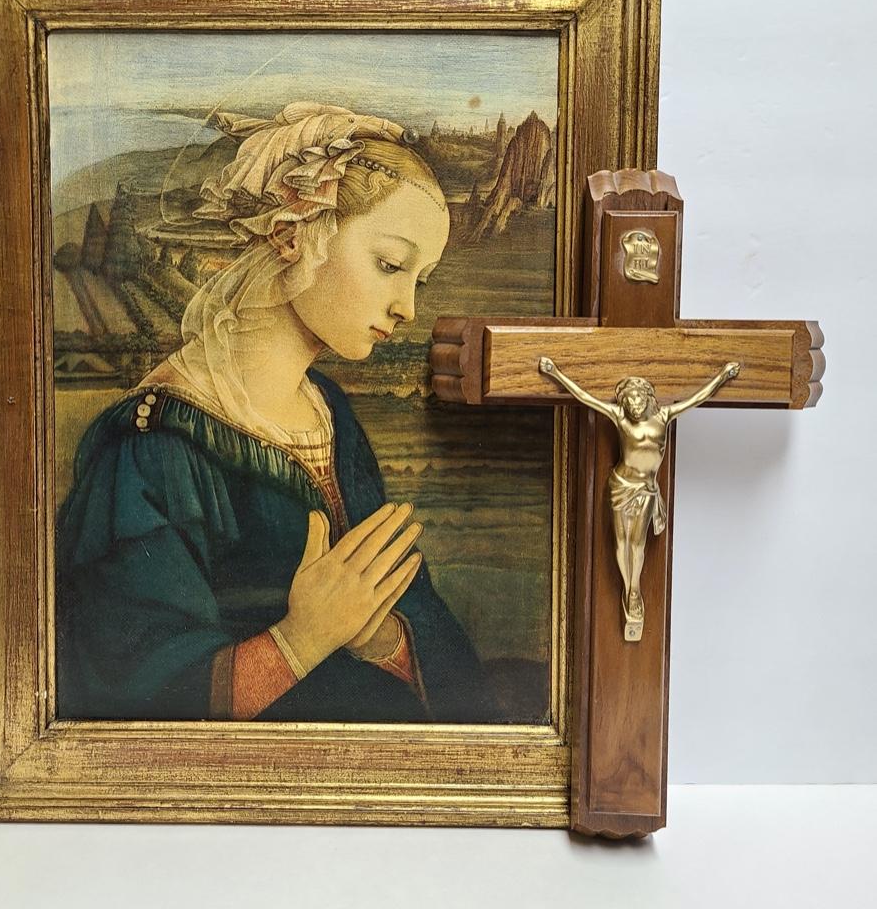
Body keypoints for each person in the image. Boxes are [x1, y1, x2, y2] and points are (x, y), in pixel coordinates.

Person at [56, 102, 501, 723]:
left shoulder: (331, 413)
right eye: (389, 265)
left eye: (419, 280)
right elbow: (125, 690)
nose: (406, 307)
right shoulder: (152, 443)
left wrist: (377, 637)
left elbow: (418, 623)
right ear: (293, 236)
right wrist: (302, 640)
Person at [538, 357, 739, 637]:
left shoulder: (663, 416)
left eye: (638, 399)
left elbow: (697, 398)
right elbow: (584, 397)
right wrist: (556, 373)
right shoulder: (619, 417)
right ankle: (629, 587)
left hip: (645, 488)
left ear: (647, 399)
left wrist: (723, 376)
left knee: (638, 543)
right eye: (629, 400)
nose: (633, 404)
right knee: (621, 543)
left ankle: (634, 590)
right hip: (621, 486)